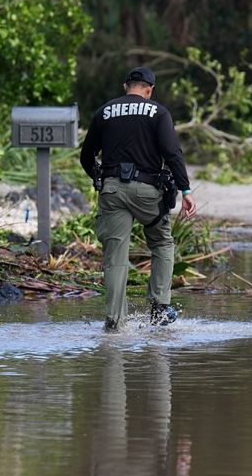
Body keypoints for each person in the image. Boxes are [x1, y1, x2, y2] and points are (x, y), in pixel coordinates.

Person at [81, 66, 197, 332]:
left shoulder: (105, 111)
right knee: (162, 243)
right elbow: (172, 153)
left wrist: (98, 178)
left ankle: (114, 322)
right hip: (147, 193)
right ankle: (158, 306)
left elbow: (86, 155)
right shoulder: (158, 112)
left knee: (115, 258)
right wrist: (186, 190)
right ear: (149, 89)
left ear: (126, 86)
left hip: (112, 191)